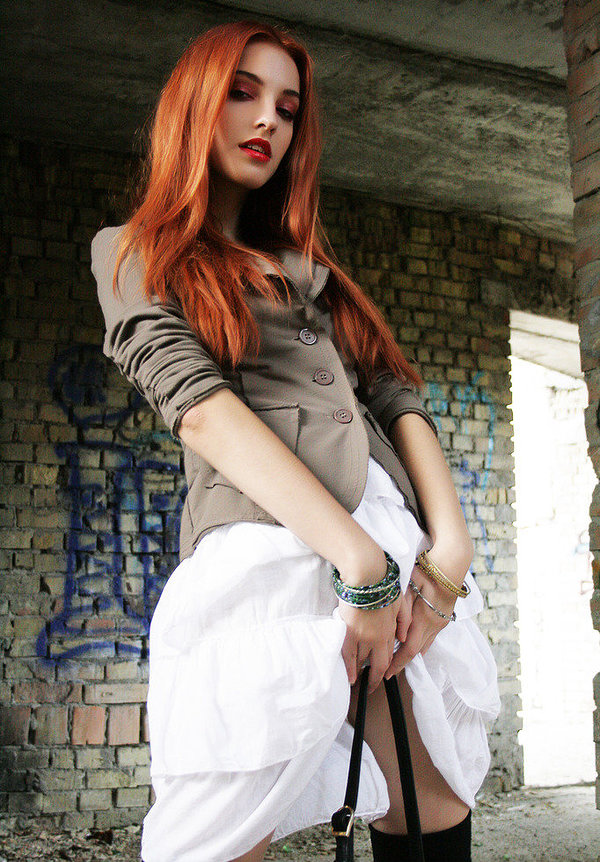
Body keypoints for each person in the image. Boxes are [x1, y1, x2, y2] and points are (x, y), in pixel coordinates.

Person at [91, 19, 500, 862]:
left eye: (287, 107)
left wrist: (450, 547)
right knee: (223, 832)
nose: (267, 120)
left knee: (431, 804)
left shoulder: (314, 268)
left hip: (394, 549)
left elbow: (395, 392)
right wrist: (357, 563)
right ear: (193, 106)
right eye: (242, 93)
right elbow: (196, 405)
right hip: (271, 550)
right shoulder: (135, 250)